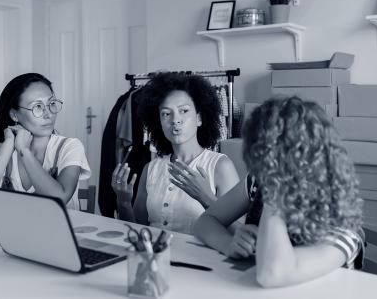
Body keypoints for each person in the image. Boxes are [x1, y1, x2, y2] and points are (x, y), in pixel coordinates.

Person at [193, 97, 364, 287]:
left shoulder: (342, 226)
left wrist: (274, 193)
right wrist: (228, 243)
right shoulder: (257, 183)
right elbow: (205, 222)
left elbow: (272, 274)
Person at [112, 72, 240, 234]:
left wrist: (205, 198)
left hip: (198, 259)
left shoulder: (220, 166)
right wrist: (123, 202)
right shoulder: (150, 169)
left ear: (199, 118)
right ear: (158, 122)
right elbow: (138, 231)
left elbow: (239, 233)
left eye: (184, 111)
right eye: (166, 113)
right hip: (155, 257)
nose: (175, 120)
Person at [0, 73, 91, 212]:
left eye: (51, 104)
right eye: (37, 106)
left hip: (60, 233)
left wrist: (24, 150)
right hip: (12, 233)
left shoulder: (70, 147)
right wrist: (8, 146)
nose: (48, 114)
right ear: (14, 115)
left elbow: (60, 199)